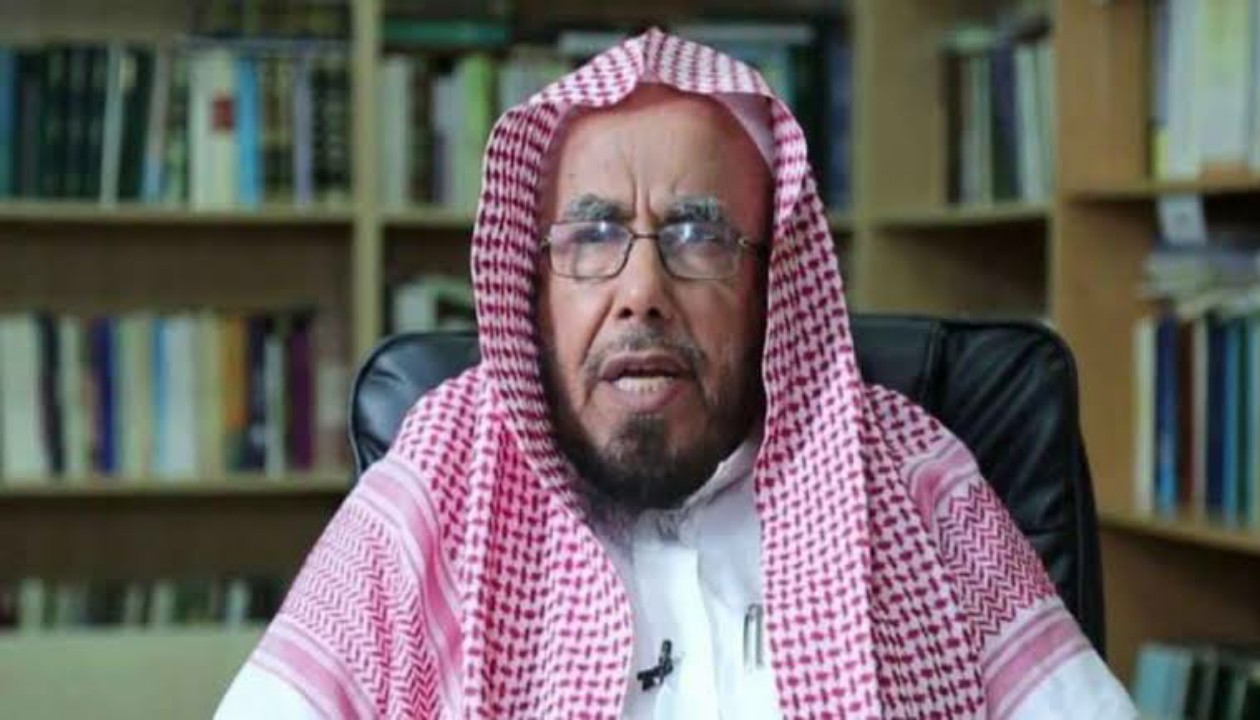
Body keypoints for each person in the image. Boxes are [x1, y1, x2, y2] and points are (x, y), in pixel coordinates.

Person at [215, 28, 1138, 719]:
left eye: (700, 235)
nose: (642, 293)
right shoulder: (441, 471)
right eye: (592, 235)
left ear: (773, 285)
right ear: (536, 286)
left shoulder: (907, 474)